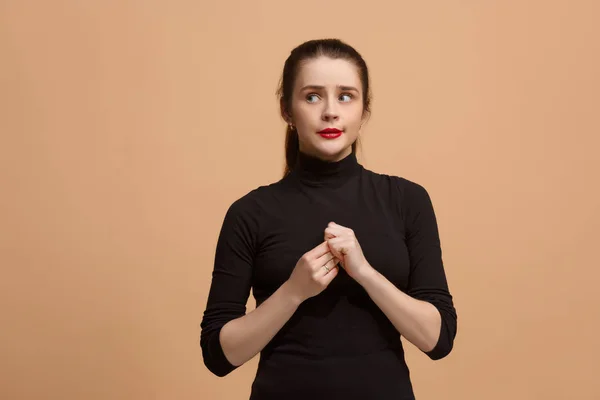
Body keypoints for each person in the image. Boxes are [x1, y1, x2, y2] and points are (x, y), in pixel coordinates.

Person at [200, 38, 458, 399]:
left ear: (364, 110)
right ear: (286, 110)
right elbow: (218, 354)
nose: (330, 112)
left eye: (346, 96)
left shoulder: (406, 201)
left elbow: (438, 338)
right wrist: (293, 292)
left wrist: (365, 273)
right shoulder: (250, 213)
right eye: (312, 96)